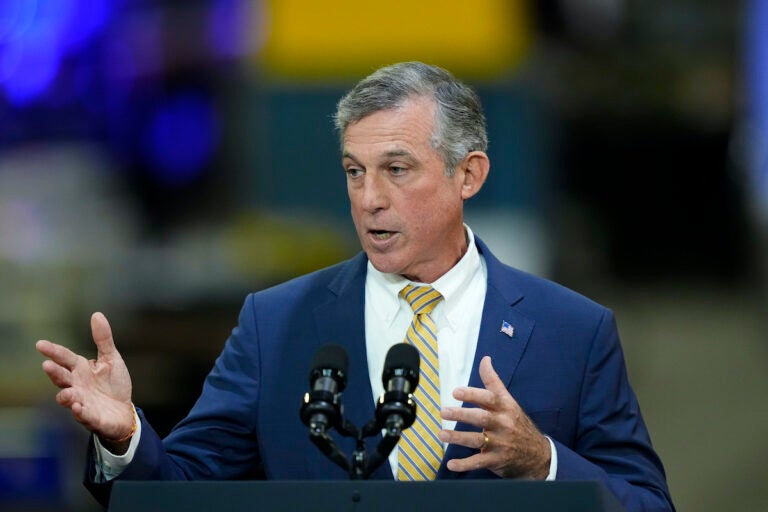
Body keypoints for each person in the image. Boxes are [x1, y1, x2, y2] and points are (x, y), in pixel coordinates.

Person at [36, 61, 675, 511]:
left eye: (397, 169)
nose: (369, 200)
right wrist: (126, 436)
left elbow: (646, 505)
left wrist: (543, 463)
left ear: (468, 175)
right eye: (354, 171)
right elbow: (180, 493)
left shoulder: (573, 329)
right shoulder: (275, 323)